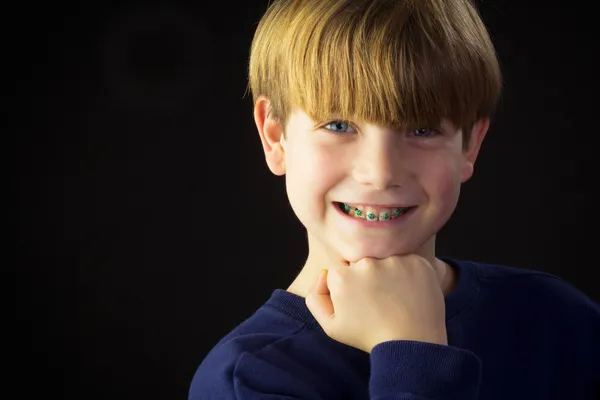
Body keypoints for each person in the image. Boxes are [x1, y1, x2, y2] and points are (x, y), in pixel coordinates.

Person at [188, 0, 600, 398]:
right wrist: (414, 354)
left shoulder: (558, 320)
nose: (381, 173)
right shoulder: (248, 381)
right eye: (338, 125)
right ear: (276, 137)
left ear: (470, 145)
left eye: (421, 130)